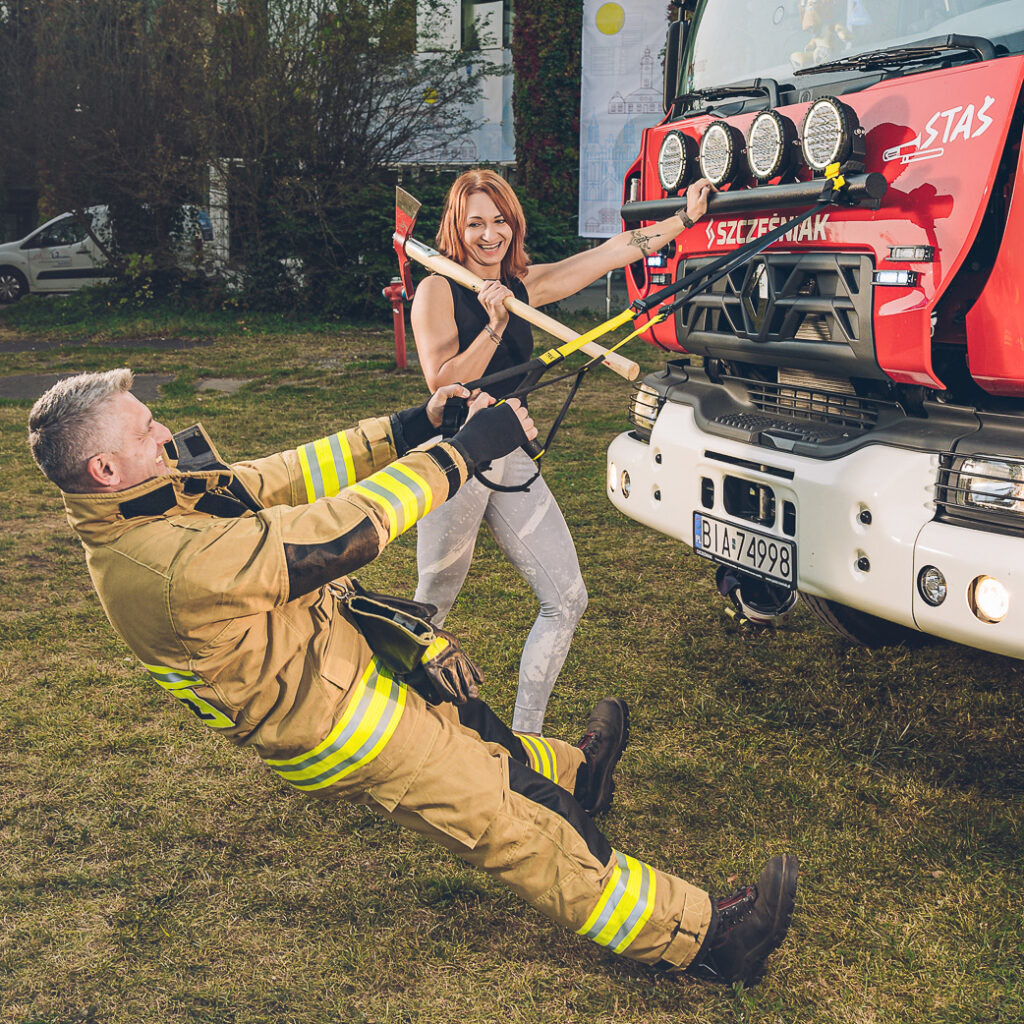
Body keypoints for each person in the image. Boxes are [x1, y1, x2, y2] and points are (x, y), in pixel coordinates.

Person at [27, 368, 797, 987]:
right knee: (512, 820)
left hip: (341, 667)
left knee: (482, 731)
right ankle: (704, 939)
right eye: (144, 430)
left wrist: (411, 425)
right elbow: (343, 532)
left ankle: (581, 774)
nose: (163, 431)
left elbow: (291, 475)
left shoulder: (153, 501)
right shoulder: (160, 563)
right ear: (105, 467)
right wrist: (465, 452)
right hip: (339, 722)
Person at [411, 169, 714, 735]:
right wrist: (495, 326)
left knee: (566, 598)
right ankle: (392, 721)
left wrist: (685, 219)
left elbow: (610, 252)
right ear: (456, 227)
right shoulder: (437, 289)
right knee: (432, 604)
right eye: (475, 222)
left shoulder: (523, 285)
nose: (489, 234)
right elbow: (442, 381)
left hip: (511, 449)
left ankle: (527, 740)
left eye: (499, 220)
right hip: (457, 456)